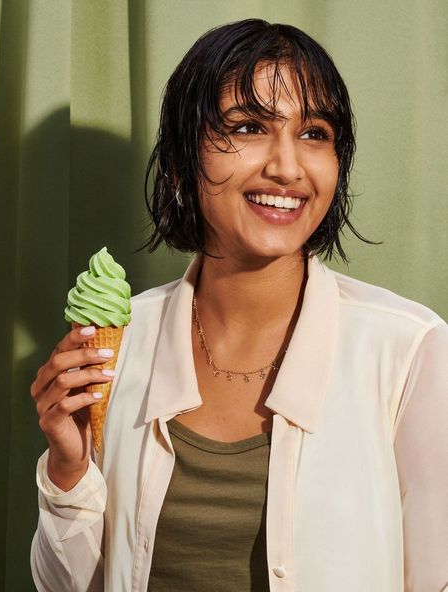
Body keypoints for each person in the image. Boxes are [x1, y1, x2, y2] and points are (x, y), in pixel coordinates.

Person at [30, 19, 448, 592]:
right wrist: (68, 472)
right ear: (181, 162)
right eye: (250, 126)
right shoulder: (119, 345)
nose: (287, 166)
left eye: (315, 133)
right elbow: (67, 586)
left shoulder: (409, 349)